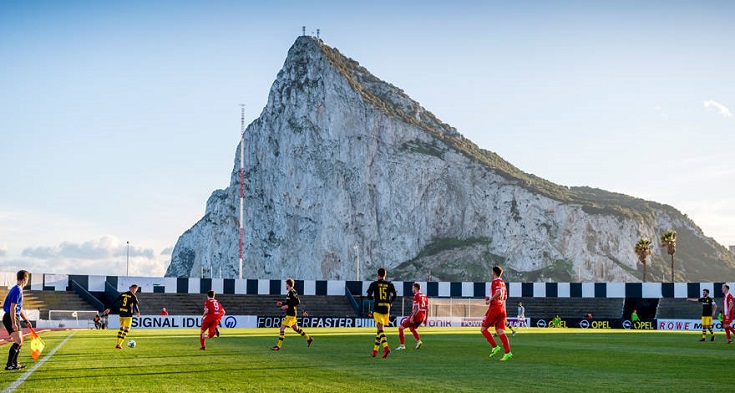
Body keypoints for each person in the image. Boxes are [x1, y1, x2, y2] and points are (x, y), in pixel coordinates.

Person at [480, 265, 512, 361]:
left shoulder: (495, 281)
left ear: (494, 272)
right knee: (500, 331)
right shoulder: (503, 283)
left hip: (495, 308)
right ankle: (508, 352)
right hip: (502, 308)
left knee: (483, 329)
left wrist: (490, 300)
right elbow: (504, 297)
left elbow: (499, 293)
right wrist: (490, 298)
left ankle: (495, 347)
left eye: (492, 272)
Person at [271, 278, 313, 351]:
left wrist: (301, 311)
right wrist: (282, 303)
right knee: (296, 329)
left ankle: (278, 346)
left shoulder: (292, 292)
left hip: (290, 315)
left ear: (288, 285)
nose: (285, 286)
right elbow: (290, 302)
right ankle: (309, 338)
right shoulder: (289, 292)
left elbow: (297, 302)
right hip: (291, 314)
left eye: (286, 284)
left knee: (282, 328)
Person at [2, 270, 31, 370]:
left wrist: (26, 320)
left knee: (20, 341)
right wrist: (13, 323)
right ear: (25, 279)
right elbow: (12, 308)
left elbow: (19, 308)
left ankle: (14, 363)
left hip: (14, 316)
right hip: (11, 317)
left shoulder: (18, 289)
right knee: (18, 341)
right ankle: (9, 364)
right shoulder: (17, 290)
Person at [366, 268, 397, 358]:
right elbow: (395, 295)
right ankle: (375, 350)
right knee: (379, 330)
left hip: (378, 307)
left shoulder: (374, 284)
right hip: (386, 308)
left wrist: (374, 299)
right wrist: (390, 302)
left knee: (380, 330)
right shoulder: (389, 284)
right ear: (385, 275)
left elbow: (368, 296)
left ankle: (386, 347)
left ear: (378, 275)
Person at [103, 284, 140, 349]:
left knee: (121, 329)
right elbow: (135, 305)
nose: (135, 291)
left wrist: (109, 308)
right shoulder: (133, 296)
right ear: (133, 289)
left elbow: (115, 301)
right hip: (128, 315)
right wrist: (137, 311)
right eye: (135, 290)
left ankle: (117, 344)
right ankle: (119, 344)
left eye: (135, 290)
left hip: (121, 314)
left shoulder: (123, 294)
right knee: (127, 329)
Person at [396, 282, 428, 350]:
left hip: (416, 315)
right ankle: (419, 341)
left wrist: (412, 317)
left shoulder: (416, 296)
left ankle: (402, 346)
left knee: (401, 328)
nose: (412, 289)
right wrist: (425, 319)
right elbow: (427, 309)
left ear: (415, 288)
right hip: (422, 316)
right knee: (412, 328)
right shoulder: (425, 296)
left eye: (412, 288)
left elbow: (417, 308)